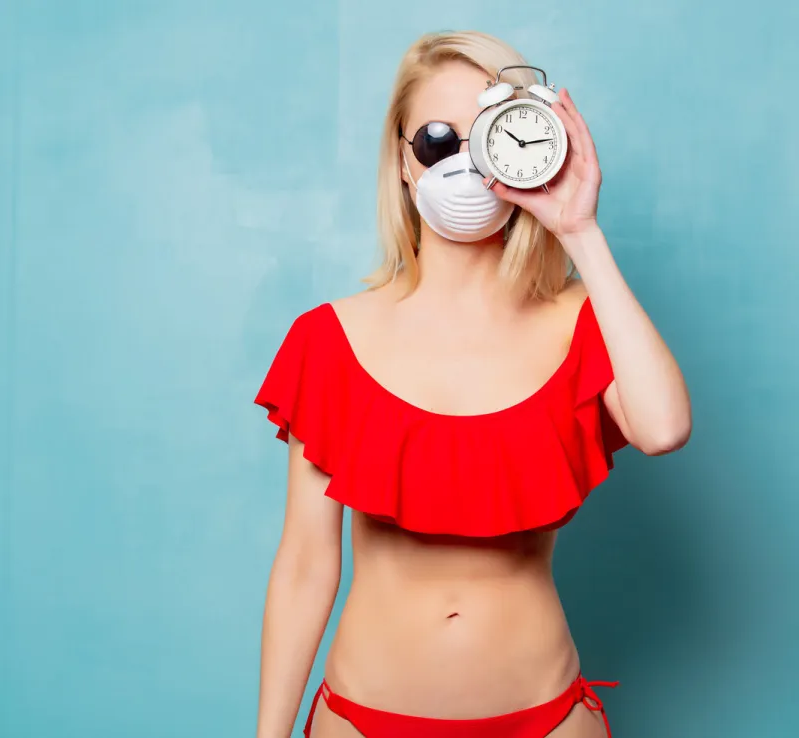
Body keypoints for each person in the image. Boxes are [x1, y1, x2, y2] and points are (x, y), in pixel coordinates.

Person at [253, 30, 691, 738]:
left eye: (486, 137)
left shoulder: (580, 320)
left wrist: (580, 231)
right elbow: (306, 565)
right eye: (435, 138)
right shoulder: (327, 340)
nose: (462, 164)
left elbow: (664, 428)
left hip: (547, 720)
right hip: (361, 721)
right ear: (401, 158)